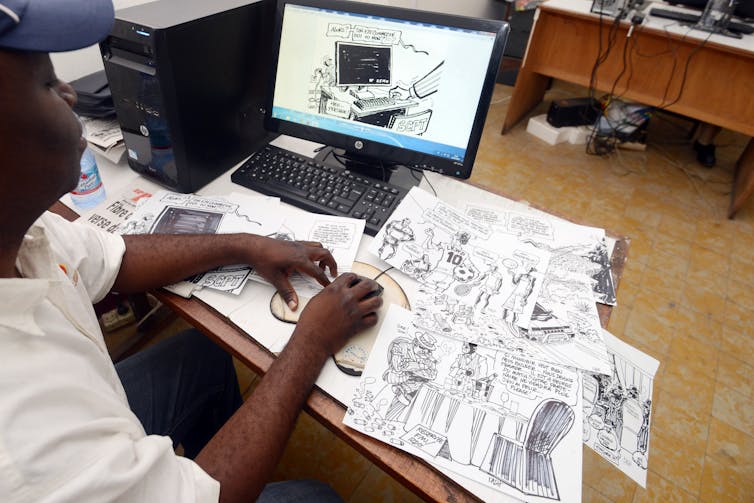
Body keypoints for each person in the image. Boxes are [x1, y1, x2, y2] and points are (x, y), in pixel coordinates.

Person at [0, 2, 383, 502]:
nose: (70, 92)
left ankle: (219, 458)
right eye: (48, 84)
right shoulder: (21, 438)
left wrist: (247, 244)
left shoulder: (24, 233)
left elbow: (114, 257)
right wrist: (309, 342)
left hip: (93, 406)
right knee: (316, 496)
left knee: (205, 354)